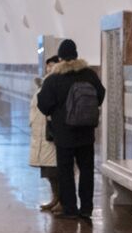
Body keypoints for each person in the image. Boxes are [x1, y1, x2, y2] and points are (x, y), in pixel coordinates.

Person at [36, 39, 105, 219]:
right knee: (87, 170)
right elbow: (101, 95)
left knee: (65, 171)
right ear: (76, 55)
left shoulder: (54, 79)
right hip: (86, 132)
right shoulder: (89, 74)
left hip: (64, 133)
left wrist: (57, 112)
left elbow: (43, 104)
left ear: (60, 57)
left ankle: (70, 209)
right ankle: (87, 208)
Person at [29, 55, 61, 211]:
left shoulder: (55, 82)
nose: (49, 68)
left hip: (51, 132)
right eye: (48, 65)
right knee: (49, 171)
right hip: (42, 132)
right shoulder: (46, 82)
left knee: (56, 170)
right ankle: (55, 198)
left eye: (52, 64)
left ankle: (61, 200)